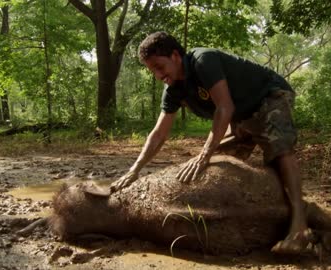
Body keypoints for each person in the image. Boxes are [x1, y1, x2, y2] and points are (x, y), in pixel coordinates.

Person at [111, 31, 312, 254]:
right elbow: (158, 134)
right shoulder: (173, 90)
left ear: (175, 56)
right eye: (152, 71)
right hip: (241, 117)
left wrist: (205, 152)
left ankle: (300, 227)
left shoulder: (203, 60)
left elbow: (224, 107)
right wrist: (134, 170)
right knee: (220, 163)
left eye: (159, 66)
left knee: (279, 150)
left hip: (269, 98)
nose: (158, 75)